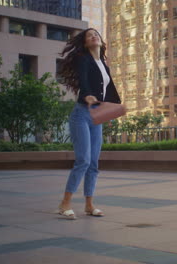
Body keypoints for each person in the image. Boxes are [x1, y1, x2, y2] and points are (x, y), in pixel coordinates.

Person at [56, 28, 121, 220]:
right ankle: (65, 203)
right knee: (83, 160)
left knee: (93, 163)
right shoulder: (83, 59)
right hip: (81, 114)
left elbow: (108, 91)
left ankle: (89, 205)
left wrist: (112, 108)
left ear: (101, 41)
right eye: (89, 35)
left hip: (96, 116)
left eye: (96, 34)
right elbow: (84, 81)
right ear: (85, 43)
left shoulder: (104, 65)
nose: (94, 36)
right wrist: (87, 95)